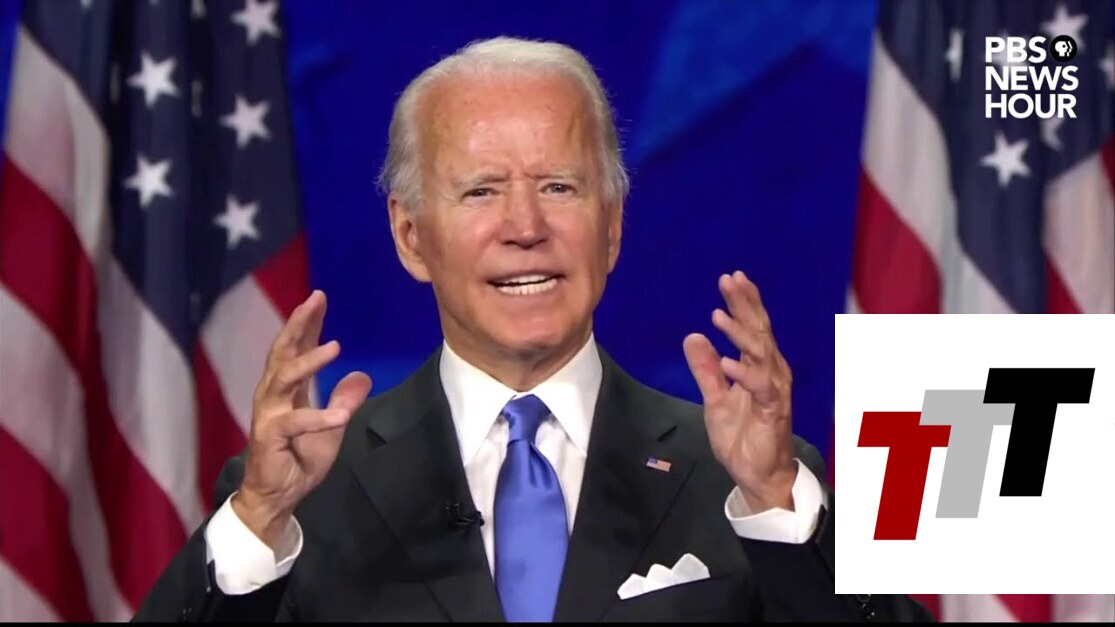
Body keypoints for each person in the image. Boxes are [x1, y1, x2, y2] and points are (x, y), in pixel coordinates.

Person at [134, 36, 931, 622]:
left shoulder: (751, 476)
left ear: (611, 226)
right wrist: (257, 521)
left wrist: (777, 505)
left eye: (558, 186)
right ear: (411, 236)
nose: (524, 226)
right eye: (481, 191)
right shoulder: (303, 494)